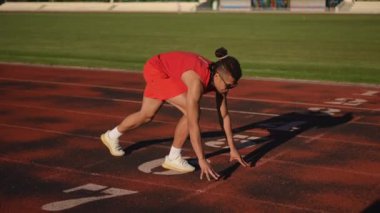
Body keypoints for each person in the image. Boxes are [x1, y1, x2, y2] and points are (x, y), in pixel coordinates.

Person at [100, 47, 249, 181]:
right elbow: (193, 123)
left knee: (147, 115)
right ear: (217, 77)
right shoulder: (197, 82)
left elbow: (224, 116)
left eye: (234, 85)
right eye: (229, 85)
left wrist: (232, 148)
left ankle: (111, 136)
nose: (230, 89)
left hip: (166, 71)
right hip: (157, 70)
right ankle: (173, 157)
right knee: (191, 112)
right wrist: (201, 159)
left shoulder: (220, 79)